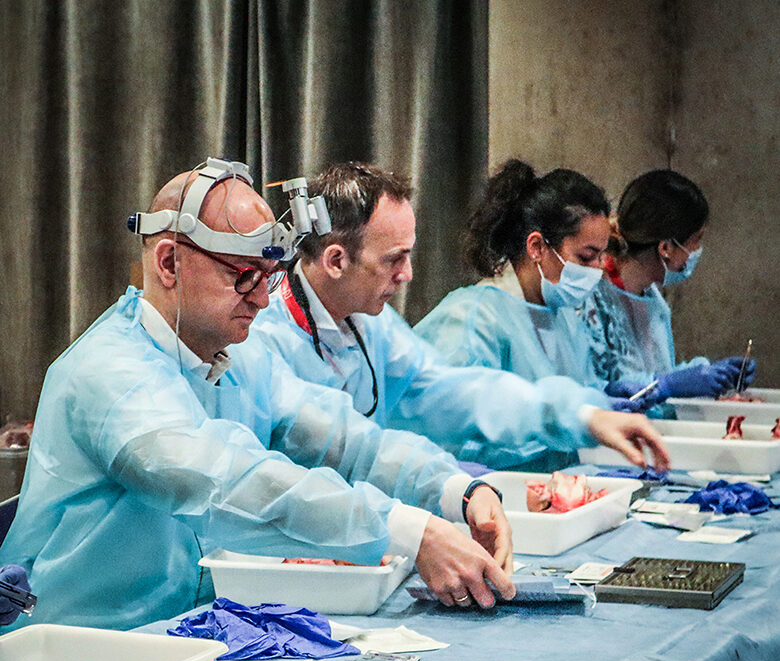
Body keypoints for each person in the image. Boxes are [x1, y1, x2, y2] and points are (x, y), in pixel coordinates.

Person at [0, 158, 516, 631]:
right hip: (76, 655)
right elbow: (228, 482)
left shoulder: (237, 358)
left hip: (184, 637)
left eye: (269, 277)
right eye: (245, 276)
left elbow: (345, 441)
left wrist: (456, 489)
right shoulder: (110, 374)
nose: (264, 300)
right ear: (169, 263)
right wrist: (408, 530)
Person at [250, 161, 670, 472]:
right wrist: (441, 483)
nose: (407, 275)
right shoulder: (263, 338)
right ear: (336, 261)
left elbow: (454, 389)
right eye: (394, 259)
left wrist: (580, 413)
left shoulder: (370, 325)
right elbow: (339, 450)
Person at [415, 160, 616, 395]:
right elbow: (457, 408)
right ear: (537, 247)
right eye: (586, 257)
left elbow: (574, 391)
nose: (598, 269)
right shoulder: (475, 319)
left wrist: (603, 397)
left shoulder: (564, 318)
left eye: (601, 256)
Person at [576, 169, 755, 400]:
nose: (697, 251)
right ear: (666, 248)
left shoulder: (651, 298)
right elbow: (593, 391)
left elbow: (657, 373)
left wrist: (702, 375)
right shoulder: (590, 301)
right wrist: (668, 384)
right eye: (696, 240)